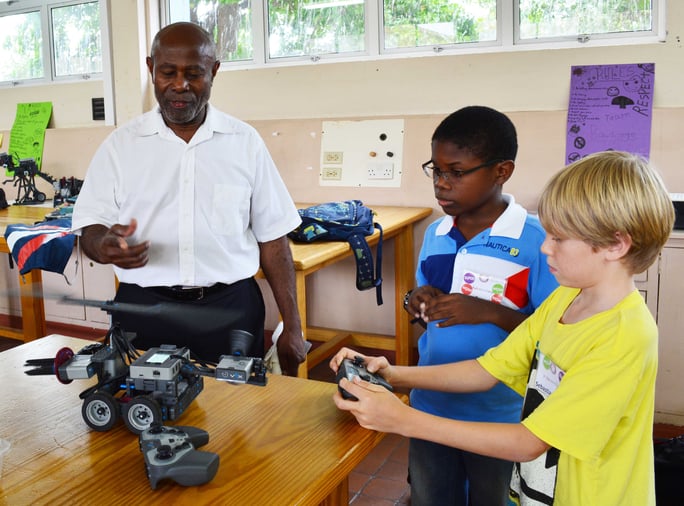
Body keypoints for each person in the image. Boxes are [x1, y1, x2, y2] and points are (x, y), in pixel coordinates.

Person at [331, 150, 675, 505]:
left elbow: (528, 442)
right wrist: (392, 373)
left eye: (559, 238)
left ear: (615, 245)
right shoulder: (566, 299)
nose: (544, 247)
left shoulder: (623, 337)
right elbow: (486, 369)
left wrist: (403, 420)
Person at [71, 22, 306, 375]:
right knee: (139, 414)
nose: (180, 85)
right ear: (151, 69)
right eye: (168, 72)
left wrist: (293, 325)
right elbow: (90, 226)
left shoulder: (244, 143)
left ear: (214, 72)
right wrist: (101, 243)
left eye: (194, 73)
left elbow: (274, 239)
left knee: (238, 422)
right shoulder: (121, 146)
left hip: (229, 310)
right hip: (143, 309)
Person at [399, 106, 558, 506]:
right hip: (431, 404)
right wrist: (414, 301)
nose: (441, 184)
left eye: (456, 171)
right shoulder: (436, 232)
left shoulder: (536, 241)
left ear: (502, 171)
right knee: (431, 496)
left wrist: (488, 311)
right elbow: (427, 312)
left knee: (493, 499)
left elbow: (553, 334)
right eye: (435, 170)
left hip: (500, 413)